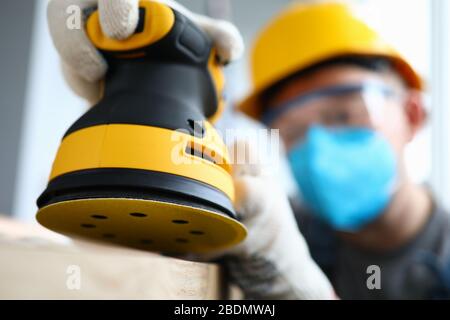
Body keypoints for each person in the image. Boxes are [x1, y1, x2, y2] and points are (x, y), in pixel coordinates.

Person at [47, 0, 336, 299]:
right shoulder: (269, 224)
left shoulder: (275, 237)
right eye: (294, 129)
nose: (318, 145)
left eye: (342, 115)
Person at [238, 1, 450, 299]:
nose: (319, 155)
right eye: (294, 131)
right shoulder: (273, 236)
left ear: (412, 115)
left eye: (342, 116)